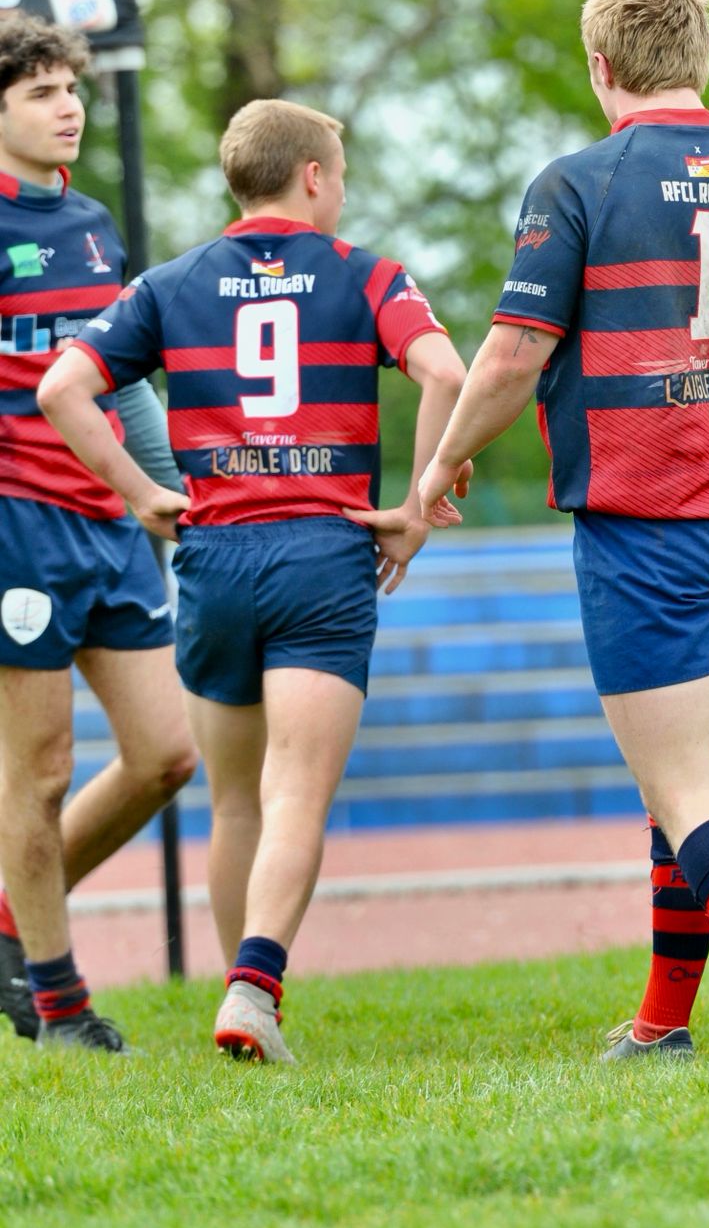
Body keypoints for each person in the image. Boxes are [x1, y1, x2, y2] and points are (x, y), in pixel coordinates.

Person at [417, 0, 709, 1061]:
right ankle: (664, 1023)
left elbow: (514, 355)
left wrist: (441, 459)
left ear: (600, 65)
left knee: (684, 789)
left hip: (643, 523)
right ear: (701, 56)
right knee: (682, 787)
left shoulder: (578, 184)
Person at [40, 99, 466, 1062]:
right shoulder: (368, 274)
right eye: (339, 175)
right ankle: (254, 992)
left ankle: (242, 997)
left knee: (236, 801)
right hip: (322, 553)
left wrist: (143, 495)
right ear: (313, 176)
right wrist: (416, 503)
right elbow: (445, 372)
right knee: (297, 794)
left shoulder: (168, 283)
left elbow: (62, 387)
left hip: (216, 556)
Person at [0, 13, 196, 1055]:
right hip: (17, 528)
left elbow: (118, 382)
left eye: (70, 87)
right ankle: (60, 1003)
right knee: (37, 775)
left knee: (166, 754)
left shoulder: (92, 225)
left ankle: (8, 925)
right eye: (40, 92)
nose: (68, 106)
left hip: (110, 520)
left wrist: (166, 491)